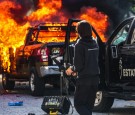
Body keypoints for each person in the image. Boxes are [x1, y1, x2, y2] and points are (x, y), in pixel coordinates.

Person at [66, 20, 100, 115]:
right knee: (89, 106)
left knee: (79, 104)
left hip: (84, 80)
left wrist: (71, 69)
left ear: (79, 31)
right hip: (95, 79)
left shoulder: (79, 45)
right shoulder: (95, 43)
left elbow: (78, 65)